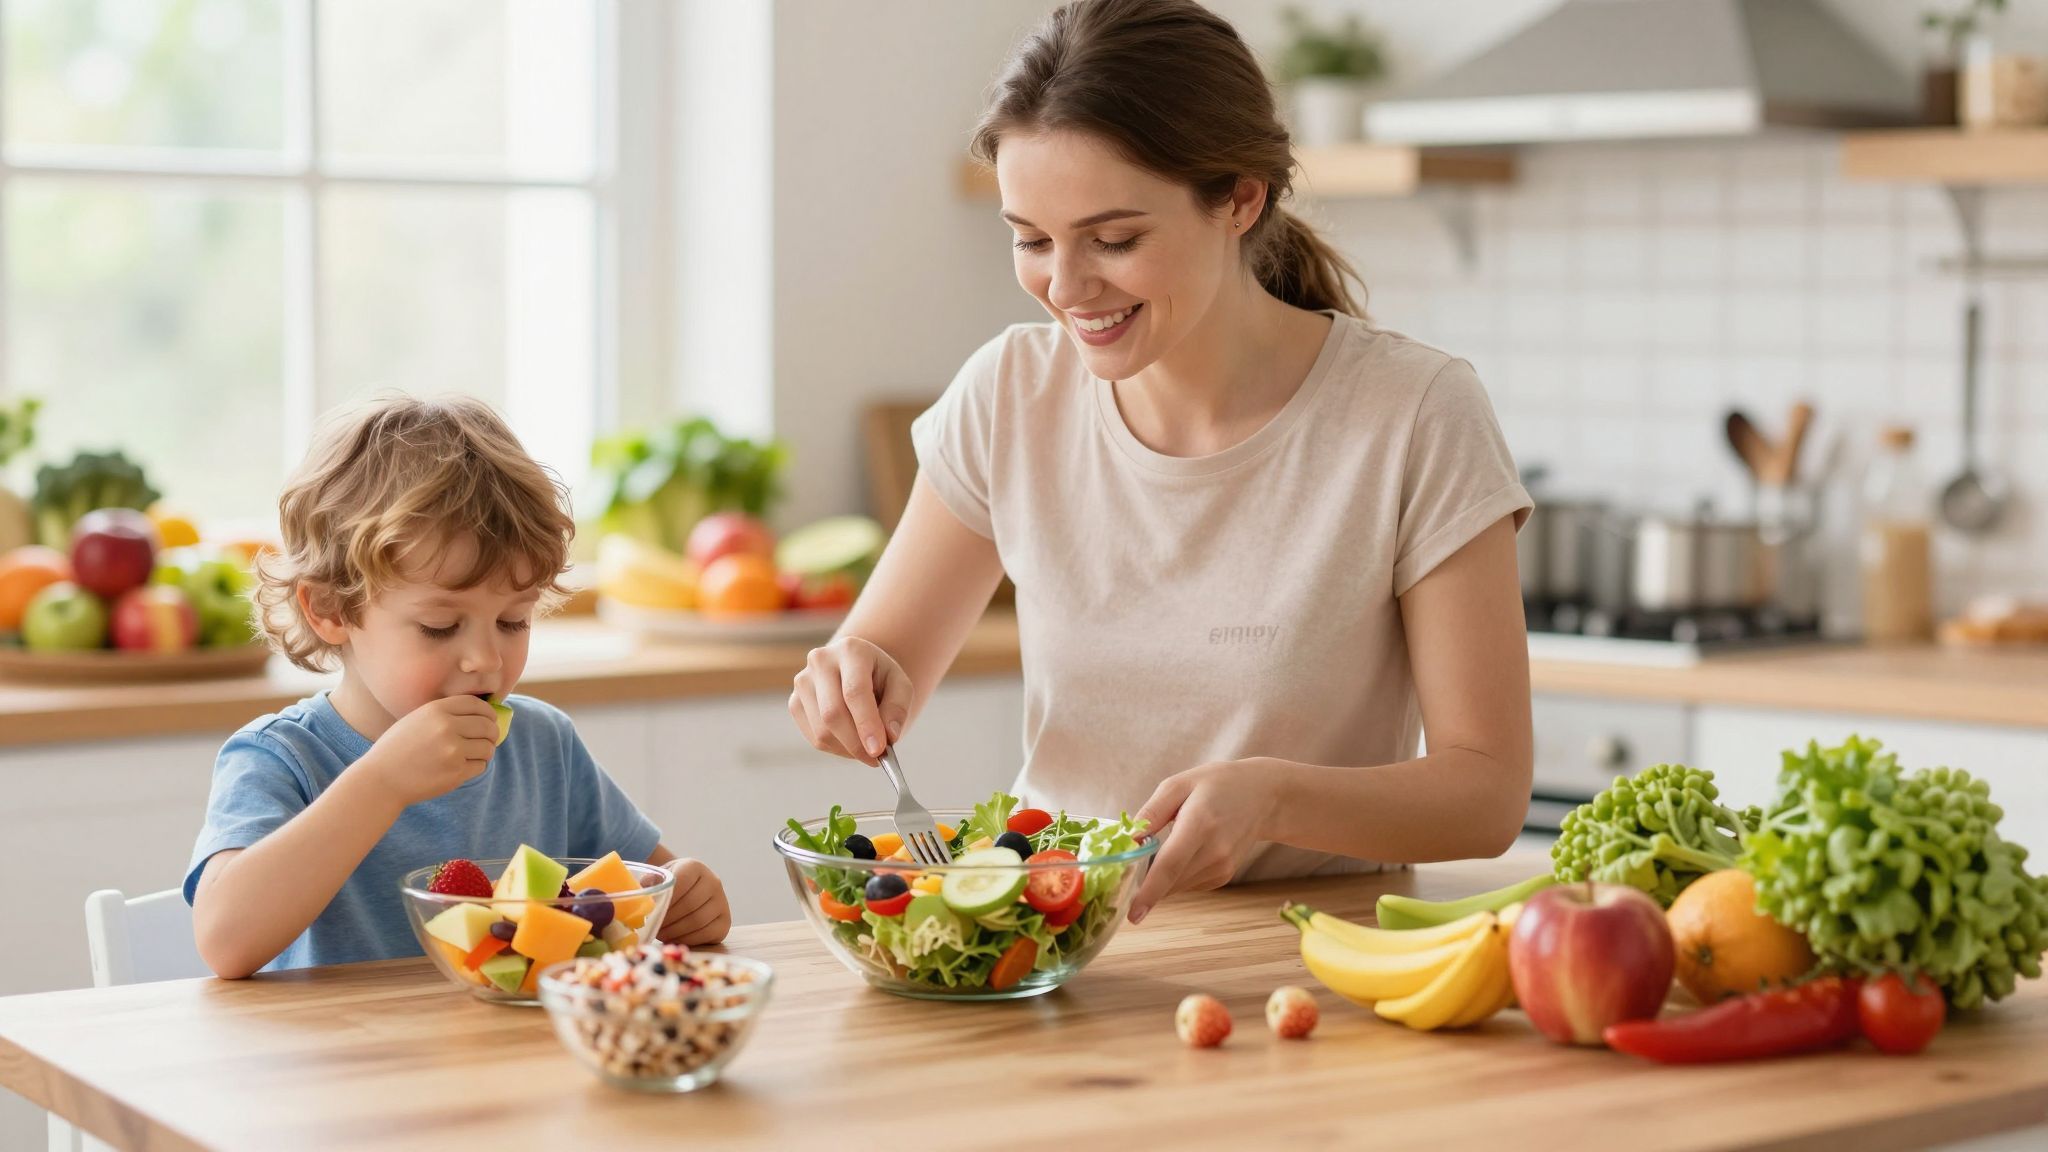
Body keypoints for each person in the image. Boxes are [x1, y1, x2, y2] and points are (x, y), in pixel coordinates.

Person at [788, 0, 1535, 924]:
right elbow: (879, 661)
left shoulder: (1413, 414)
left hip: (1308, 960)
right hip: (1057, 946)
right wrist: (850, 679)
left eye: (1115, 239)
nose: (1066, 287)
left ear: (1240, 198)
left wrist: (1273, 796)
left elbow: (1488, 791)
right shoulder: (1009, 395)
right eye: (1030, 239)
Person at [187, 396, 729, 977]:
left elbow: (647, 891)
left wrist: (686, 899)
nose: (484, 659)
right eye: (440, 627)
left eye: (513, 620)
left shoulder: (544, 745)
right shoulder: (280, 759)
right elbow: (225, 942)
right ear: (329, 609)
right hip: (345, 1061)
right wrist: (382, 782)